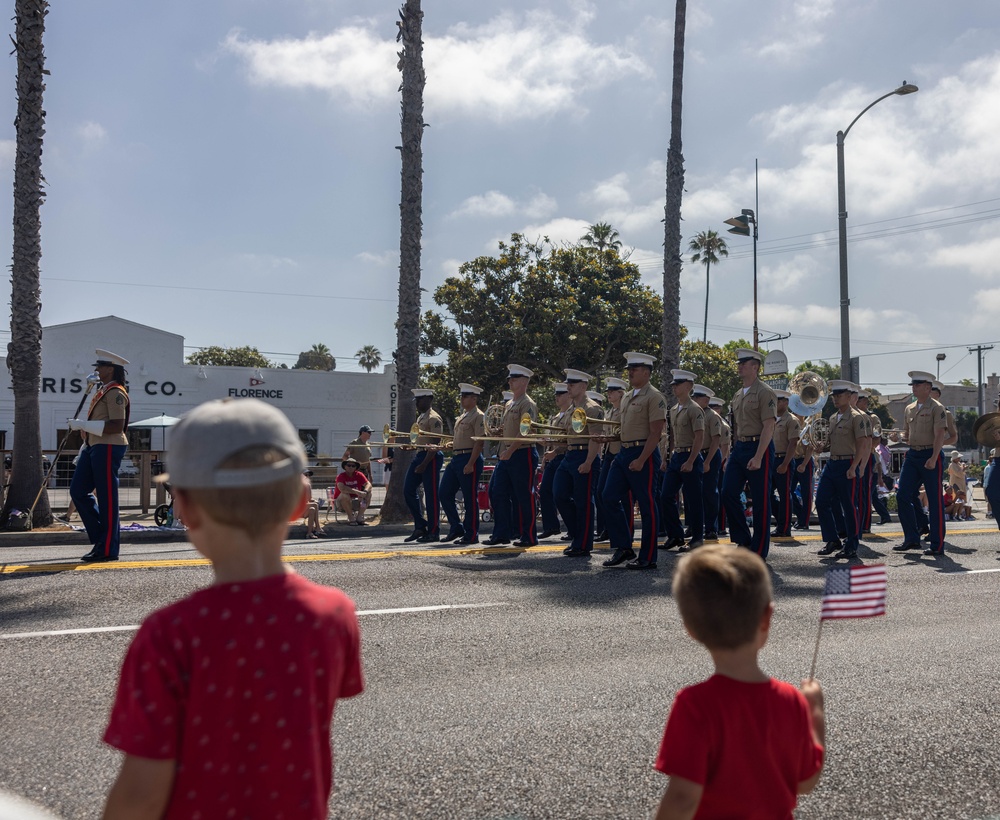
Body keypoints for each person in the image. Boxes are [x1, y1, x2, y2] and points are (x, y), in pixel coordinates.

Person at [100, 398, 363, 820]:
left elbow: (141, 793)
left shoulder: (169, 633)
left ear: (183, 508)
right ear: (300, 502)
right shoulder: (335, 613)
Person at [653, 544, 825, 819]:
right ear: (767, 617)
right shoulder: (791, 700)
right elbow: (805, 783)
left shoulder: (695, 705)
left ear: (690, 628)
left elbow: (684, 797)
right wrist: (815, 713)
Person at [601, 351, 667, 570]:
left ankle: (648, 557)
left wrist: (641, 459)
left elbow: (656, 433)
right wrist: (608, 439)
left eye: (635, 369)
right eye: (629, 369)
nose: (630, 372)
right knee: (608, 497)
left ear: (647, 372)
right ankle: (624, 547)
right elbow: (624, 429)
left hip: (643, 454)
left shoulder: (654, 397)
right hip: (623, 453)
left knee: (647, 505)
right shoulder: (628, 396)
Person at [68, 349, 131, 563]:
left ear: (111, 369)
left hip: (109, 446)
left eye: (100, 366)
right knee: (78, 490)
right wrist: (85, 430)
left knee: (107, 499)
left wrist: (85, 425)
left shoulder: (115, 392)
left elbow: (117, 426)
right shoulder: (103, 390)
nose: (96, 369)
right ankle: (101, 540)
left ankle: (107, 548)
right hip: (94, 445)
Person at [721, 348, 777, 559]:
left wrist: (759, 456)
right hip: (740, 448)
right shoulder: (737, 394)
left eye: (744, 363)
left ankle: (759, 549)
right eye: (739, 363)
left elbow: (768, 427)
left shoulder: (764, 392)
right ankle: (743, 539)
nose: (740, 366)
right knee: (727, 492)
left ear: (755, 367)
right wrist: (731, 455)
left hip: (758, 447)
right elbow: (735, 428)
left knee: (761, 500)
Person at [893, 370, 949, 557]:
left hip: (929, 454)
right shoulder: (909, 408)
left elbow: (940, 434)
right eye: (913, 385)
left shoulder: (937, 408)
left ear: (927, 387)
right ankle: (911, 538)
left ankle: (937, 544)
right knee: (902, 495)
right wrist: (897, 437)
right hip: (913, 455)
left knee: (934, 500)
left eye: (917, 385)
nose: (914, 388)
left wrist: (933, 458)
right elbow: (907, 436)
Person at [485, 364, 539, 547]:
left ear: (524, 381)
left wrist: (510, 450)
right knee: (497, 492)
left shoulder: (527, 403)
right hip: (506, 453)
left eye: (514, 379)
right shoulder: (509, 403)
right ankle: (502, 533)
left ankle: (529, 535)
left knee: (524, 496)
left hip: (522, 453)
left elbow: (526, 431)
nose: (510, 381)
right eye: (510, 378)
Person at [816, 381, 870, 560]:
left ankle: (852, 545)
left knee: (848, 506)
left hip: (847, 463)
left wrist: (855, 466)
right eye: (834, 396)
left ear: (849, 396)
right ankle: (832, 539)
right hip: (832, 463)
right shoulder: (833, 417)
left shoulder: (856, 417)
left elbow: (863, 444)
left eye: (839, 396)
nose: (836, 399)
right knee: (821, 501)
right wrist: (822, 446)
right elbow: (832, 442)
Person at [554, 369, 604, 557]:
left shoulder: (592, 408)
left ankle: (583, 544)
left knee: (583, 502)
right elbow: (567, 437)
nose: (568, 387)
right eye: (568, 384)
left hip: (585, 455)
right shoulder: (571, 410)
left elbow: (595, 437)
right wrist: (553, 447)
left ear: (583, 386)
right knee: (559, 494)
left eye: (572, 384)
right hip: (569, 456)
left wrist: (589, 462)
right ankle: (577, 534)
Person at [660, 370, 705, 552]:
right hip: (677, 456)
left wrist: (691, 460)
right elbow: (671, 437)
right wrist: (666, 457)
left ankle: (697, 539)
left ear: (688, 386)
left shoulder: (695, 409)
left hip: (690, 456)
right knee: (665, 496)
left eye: (677, 384)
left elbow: (699, 437)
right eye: (673, 384)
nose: (674, 387)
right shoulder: (672, 410)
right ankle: (676, 535)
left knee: (693, 500)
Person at [439, 383, 485, 545]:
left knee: (469, 498)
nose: (462, 399)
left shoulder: (478, 416)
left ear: (474, 398)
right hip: (457, 458)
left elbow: (479, 442)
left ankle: (472, 533)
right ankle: (456, 527)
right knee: (444, 493)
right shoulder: (462, 416)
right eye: (461, 396)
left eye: (465, 396)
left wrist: (471, 463)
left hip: (469, 458)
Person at [402, 388, 445, 543]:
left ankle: (434, 531)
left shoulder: (434, 418)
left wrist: (425, 464)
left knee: (432, 495)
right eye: (416, 401)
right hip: (420, 455)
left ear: (428, 399)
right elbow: (421, 440)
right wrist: (411, 447)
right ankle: (420, 526)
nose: (417, 403)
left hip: (431, 457)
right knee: (408, 489)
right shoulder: (421, 417)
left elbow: (435, 444)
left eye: (419, 400)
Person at [596, 378, 628, 542]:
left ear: (621, 393)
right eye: (608, 391)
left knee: (623, 497)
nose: (608, 394)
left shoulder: (624, 410)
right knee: (601, 492)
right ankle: (610, 527)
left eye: (612, 391)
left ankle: (623, 529)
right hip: (609, 454)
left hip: (621, 453)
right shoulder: (609, 412)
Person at [539, 383, 571, 540]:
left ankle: (573, 528)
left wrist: (555, 451)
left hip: (565, 457)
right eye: (556, 395)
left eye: (560, 394)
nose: (557, 397)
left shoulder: (572, 415)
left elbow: (569, 441)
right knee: (545, 490)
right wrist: (546, 454)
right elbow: (553, 440)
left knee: (564, 495)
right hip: (553, 459)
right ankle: (551, 526)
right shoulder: (555, 417)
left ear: (568, 395)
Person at [691, 385, 721, 542]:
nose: (694, 400)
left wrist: (708, 461)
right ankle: (694, 526)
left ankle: (711, 528)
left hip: (710, 454)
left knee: (709, 493)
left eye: (698, 398)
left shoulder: (713, 416)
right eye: (694, 398)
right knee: (695, 493)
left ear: (706, 400)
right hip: (697, 454)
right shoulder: (696, 413)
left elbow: (716, 440)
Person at [770, 389, 801, 538]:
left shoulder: (791, 420)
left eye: (777, 401)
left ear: (785, 402)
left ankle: (784, 527)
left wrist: (785, 464)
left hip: (784, 459)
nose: (774, 404)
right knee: (767, 494)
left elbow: (792, 444)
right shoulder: (770, 419)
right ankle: (780, 520)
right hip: (771, 459)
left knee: (784, 495)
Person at [709, 396, 730, 537]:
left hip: (719, 463)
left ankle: (721, 526)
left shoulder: (723, 424)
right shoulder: (709, 419)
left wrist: (721, 462)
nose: (714, 410)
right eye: (712, 407)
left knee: (719, 495)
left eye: (716, 407)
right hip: (708, 460)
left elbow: (725, 445)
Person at [334, 457, 373, 524]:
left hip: (356, 501)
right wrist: (357, 492)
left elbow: (368, 484)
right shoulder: (341, 476)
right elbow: (342, 488)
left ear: (355, 467)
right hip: (341, 503)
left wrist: (365, 492)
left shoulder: (359, 475)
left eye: (353, 466)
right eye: (349, 465)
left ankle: (359, 517)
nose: (351, 467)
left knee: (369, 494)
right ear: (345, 467)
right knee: (344, 495)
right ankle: (351, 518)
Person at [984, 448, 998, 524]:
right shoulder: (989, 467)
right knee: (990, 499)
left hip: (989, 485)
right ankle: (990, 512)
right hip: (988, 485)